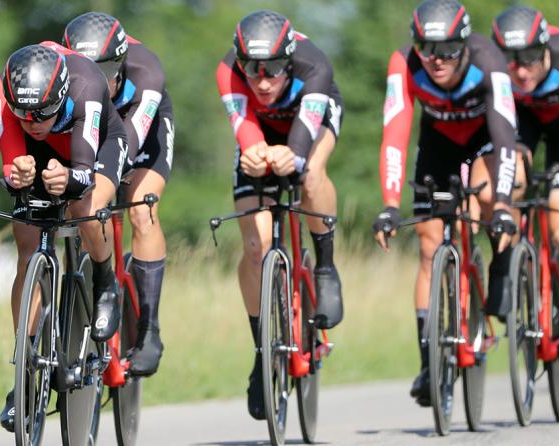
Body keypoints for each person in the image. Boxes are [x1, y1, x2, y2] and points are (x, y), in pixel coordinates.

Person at [372, 0, 524, 407]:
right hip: (438, 142)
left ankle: (501, 264)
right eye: (425, 48)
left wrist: (506, 205)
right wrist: (389, 203)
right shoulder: (404, 63)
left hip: (487, 138)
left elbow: (507, 138)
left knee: (489, 197)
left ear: (465, 44)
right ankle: (429, 363)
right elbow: (395, 132)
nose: (435, 59)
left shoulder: (490, 61)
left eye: (447, 50)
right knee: (428, 245)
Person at [0, 41, 127, 431]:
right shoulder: (3, 93)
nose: (33, 121)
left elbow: (83, 173)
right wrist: (15, 174)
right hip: (43, 153)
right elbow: (10, 160)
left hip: (95, 144)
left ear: (61, 95)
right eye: (24, 114)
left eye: (43, 113)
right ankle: (25, 369)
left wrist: (69, 179)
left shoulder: (85, 84)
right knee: (26, 239)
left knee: (85, 207)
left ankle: (104, 281)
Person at [216, 9, 344, 419]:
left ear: (289, 61)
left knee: (309, 177)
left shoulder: (315, 66)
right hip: (262, 130)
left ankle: (324, 265)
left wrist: (293, 156)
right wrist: (255, 153)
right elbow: (246, 130)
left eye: (273, 69)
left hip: (310, 125)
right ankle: (261, 351)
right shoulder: (228, 72)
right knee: (257, 245)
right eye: (252, 70)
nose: (263, 80)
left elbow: (302, 143)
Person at [63, 11, 175, 377]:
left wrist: (103, 175)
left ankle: (149, 329)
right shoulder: (64, 72)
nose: (97, 77)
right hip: (86, 123)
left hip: (138, 124)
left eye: (106, 69)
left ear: (122, 62)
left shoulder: (148, 73)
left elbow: (128, 141)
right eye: (87, 68)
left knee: (142, 210)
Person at [492, 6, 559, 385]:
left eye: (531, 60)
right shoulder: (499, 73)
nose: (521, 72)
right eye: (511, 62)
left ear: (546, 49)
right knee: (509, 179)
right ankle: (507, 264)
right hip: (522, 126)